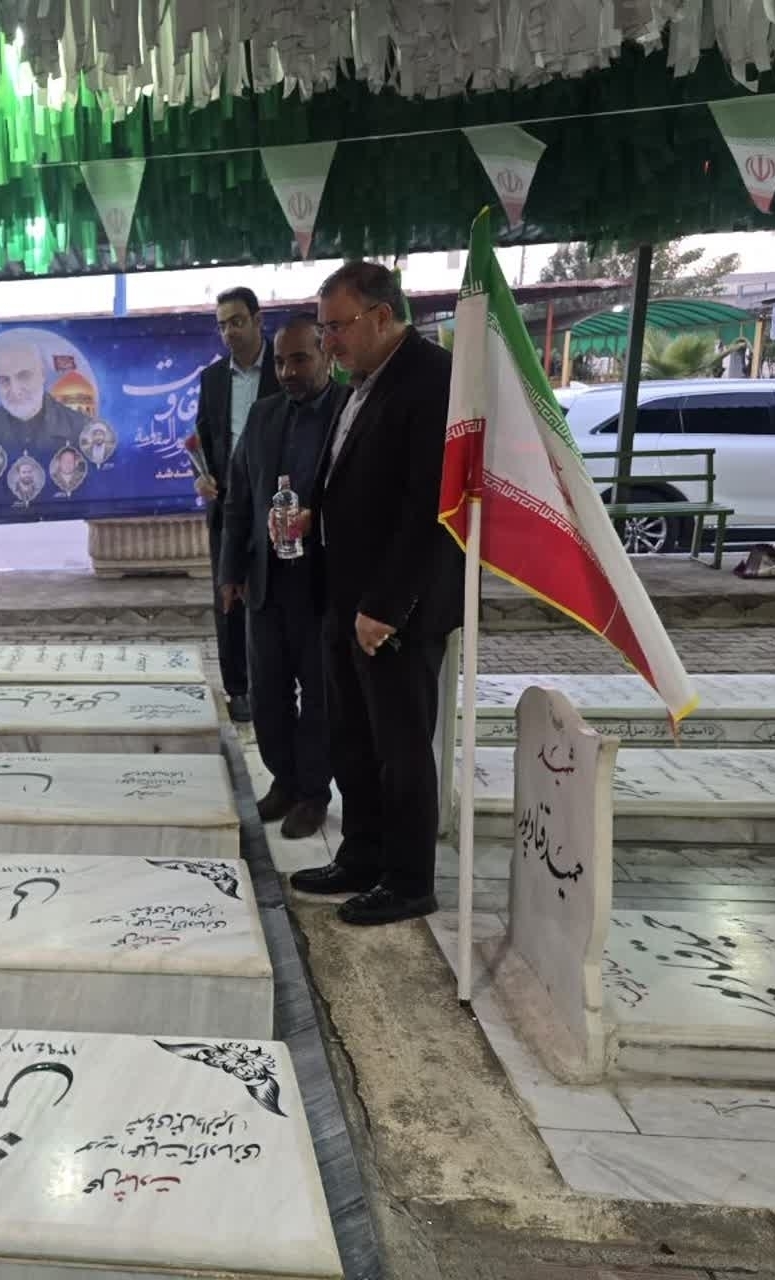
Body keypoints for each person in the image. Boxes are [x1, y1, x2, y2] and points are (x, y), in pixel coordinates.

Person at [284, 262, 463, 927]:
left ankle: (409, 879)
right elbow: (352, 480)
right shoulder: (360, 382)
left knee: (400, 747)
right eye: (324, 328)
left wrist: (385, 606)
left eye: (337, 327)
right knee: (352, 739)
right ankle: (361, 856)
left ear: (382, 317)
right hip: (345, 594)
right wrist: (314, 516)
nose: (327, 341)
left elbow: (428, 507)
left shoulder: (431, 380)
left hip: (395, 610)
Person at [219, 318, 344, 840]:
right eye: (280, 362)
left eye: (299, 359)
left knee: (319, 696)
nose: (288, 371)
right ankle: (284, 782)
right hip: (266, 581)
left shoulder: (348, 411)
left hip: (322, 584)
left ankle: (314, 792)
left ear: (326, 355)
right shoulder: (263, 414)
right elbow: (239, 497)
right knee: (267, 691)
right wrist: (230, 571)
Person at [196, 287, 280, 723]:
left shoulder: (284, 368)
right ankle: (238, 689)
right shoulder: (212, 379)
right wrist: (203, 476)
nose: (229, 332)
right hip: (228, 505)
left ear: (258, 320)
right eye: (222, 325)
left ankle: (278, 682)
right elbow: (205, 437)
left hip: (277, 502)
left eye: (237, 321)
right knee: (228, 597)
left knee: (275, 595)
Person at [0, 334, 90, 456]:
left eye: (23, 376)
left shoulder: (83, 430)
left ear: (43, 373)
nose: (15, 390)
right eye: (3, 380)